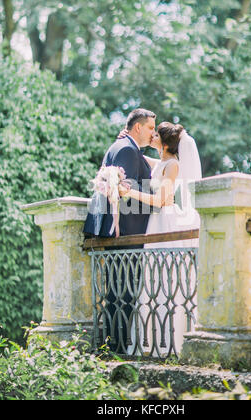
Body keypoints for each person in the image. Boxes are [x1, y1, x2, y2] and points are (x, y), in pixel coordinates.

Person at [121, 122, 202, 357]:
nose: (152, 137)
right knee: (153, 276)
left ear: (165, 143)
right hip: (156, 223)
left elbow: (162, 200)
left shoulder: (174, 165)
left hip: (164, 221)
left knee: (164, 277)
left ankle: (168, 342)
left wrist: (129, 192)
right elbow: (146, 161)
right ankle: (152, 340)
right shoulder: (164, 162)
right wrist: (128, 139)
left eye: (155, 135)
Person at [83, 108, 156, 353]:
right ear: (138, 127)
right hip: (125, 232)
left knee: (116, 289)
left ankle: (112, 344)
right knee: (123, 290)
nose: (152, 133)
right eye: (150, 128)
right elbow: (124, 195)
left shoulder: (120, 146)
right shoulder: (127, 149)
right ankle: (117, 346)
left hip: (119, 232)